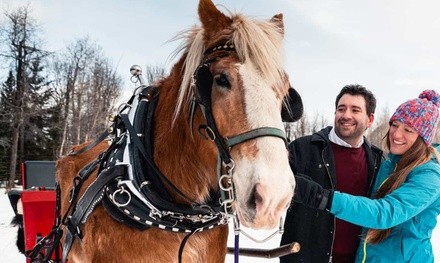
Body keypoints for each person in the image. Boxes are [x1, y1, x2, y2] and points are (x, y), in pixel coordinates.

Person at [294, 90, 440, 262]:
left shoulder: (429, 175)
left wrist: (322, 197)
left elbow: (384, 213)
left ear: (423, 138)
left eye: (408, 129)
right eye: (395, 125)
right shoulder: (389, 164)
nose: (397, 134)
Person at [280, 84, 384, 262]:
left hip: (357, 258)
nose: (346, 115)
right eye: (341, 109)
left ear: (370, 119)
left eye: (355, 110)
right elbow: (272, 187)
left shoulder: (377, 161)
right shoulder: (302, 148)